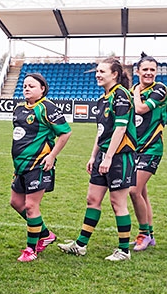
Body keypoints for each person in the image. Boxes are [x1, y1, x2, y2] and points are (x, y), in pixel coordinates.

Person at [58, 57, 137, 261]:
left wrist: (109, 157)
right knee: (92, 199)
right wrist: (94, 155)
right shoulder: (103, 98)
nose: (98, 75)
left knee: (117, 202)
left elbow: (120, 129)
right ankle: (81, 245)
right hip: (104, 155)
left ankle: (123, 250)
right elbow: (101, 132)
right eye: (97, 71)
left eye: (102, 71)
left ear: (115, 74)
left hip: (120, 156)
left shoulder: (121, 95)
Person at [10, 73, 72, 261]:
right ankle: (45, 235)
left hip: (39, 164)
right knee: (16, 202)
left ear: (42, 89)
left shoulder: (47, 107)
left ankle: (31, 250)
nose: (27, 88)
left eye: (32, 86)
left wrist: (52, 156)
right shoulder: (19, 109)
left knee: (30, 205)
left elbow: (65, 133)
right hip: (21, 166)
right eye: (25, 86)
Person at [129, 53, 167, 251]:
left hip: (151, 148)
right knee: (142, 193)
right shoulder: (133, 90)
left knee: (133, 190)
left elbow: (141, 108)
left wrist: (135, 91)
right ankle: (149, 235)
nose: (149, 73)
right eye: (145, 69)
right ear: (138, 71)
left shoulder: (160, 89)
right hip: (135, 149)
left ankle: (143, 234)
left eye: (152, 69)